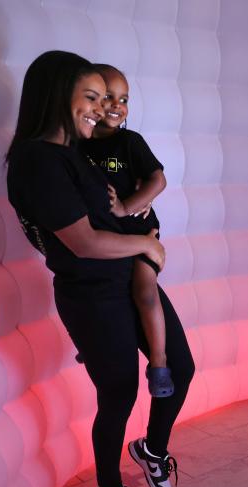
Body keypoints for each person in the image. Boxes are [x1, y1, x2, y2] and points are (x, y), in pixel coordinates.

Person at [6, 51, 195, 487]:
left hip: (124, 279)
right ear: (57, 96)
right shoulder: (36, 161)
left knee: (181, 366)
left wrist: (132, 220)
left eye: (106, 98)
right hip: (92, 292)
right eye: (89, 97)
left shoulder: (73, 152)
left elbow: (109, 210)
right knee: (119, 393)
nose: (100, 107)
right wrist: (144, 246)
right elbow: (84, 242)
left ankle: (151, 449)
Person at [79, 63, 173, 399]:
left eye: (124, 98)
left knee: (145, 292)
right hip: (108, 239)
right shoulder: (79, 145)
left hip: (141, 232)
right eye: (107, 97)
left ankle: (159, 363)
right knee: (96, 291)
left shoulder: (129, 142)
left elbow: (158, 179)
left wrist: (127, 206)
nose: (118, 105)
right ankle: (92, 344)